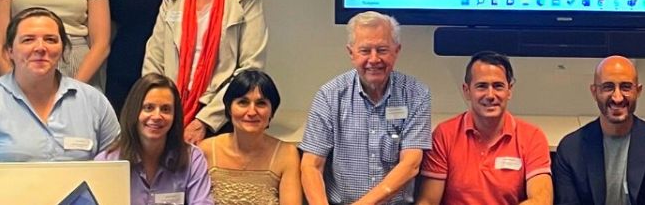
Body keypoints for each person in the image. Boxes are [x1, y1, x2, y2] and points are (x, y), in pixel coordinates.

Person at [0, 8, 120, 200]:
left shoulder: (94, 102)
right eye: (28, 40)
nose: (40, 48)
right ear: (9, 51)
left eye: (50, 40)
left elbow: (119, 170)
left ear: (63, 49)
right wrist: (17, 187)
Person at [143, 0, 267, 145]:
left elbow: (250, 68)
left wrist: (204, 120)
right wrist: (161, 108)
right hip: (169, 113)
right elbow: (154, 59)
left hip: (221, 117)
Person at [300, 11, 433, 205]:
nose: (374, 59)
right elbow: (311, 165)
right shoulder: (329, 95)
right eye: (365, 51)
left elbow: (411, 164)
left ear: (397, 51)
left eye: (382, 50)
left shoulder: (416, 94)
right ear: (351, 53)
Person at [419, 52, 554, 205]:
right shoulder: (444, 135)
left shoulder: (532, 137)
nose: (490, 95)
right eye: (482, 86)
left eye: (498, 86)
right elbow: (428, 201)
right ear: (467, 91)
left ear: (509, 90)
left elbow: (542, 200)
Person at [553, 56, 645, 205]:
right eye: (608, 87)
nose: (617, 98)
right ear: (594, 92)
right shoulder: (570, 149)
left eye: (626, 87)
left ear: (638, 91)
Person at [98, 73, 214, 205]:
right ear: (134, 111)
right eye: (148, 108)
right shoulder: (106, 162)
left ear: (175, 116)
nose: (157, 116)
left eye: (165, 109)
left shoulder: (192, 158)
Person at [196, 69, 301, 205]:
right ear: (229, 108)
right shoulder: (206, 150)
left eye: (261, 103)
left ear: (272, 111)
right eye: (243, 102)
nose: (252, 112)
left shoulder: (287, 154)